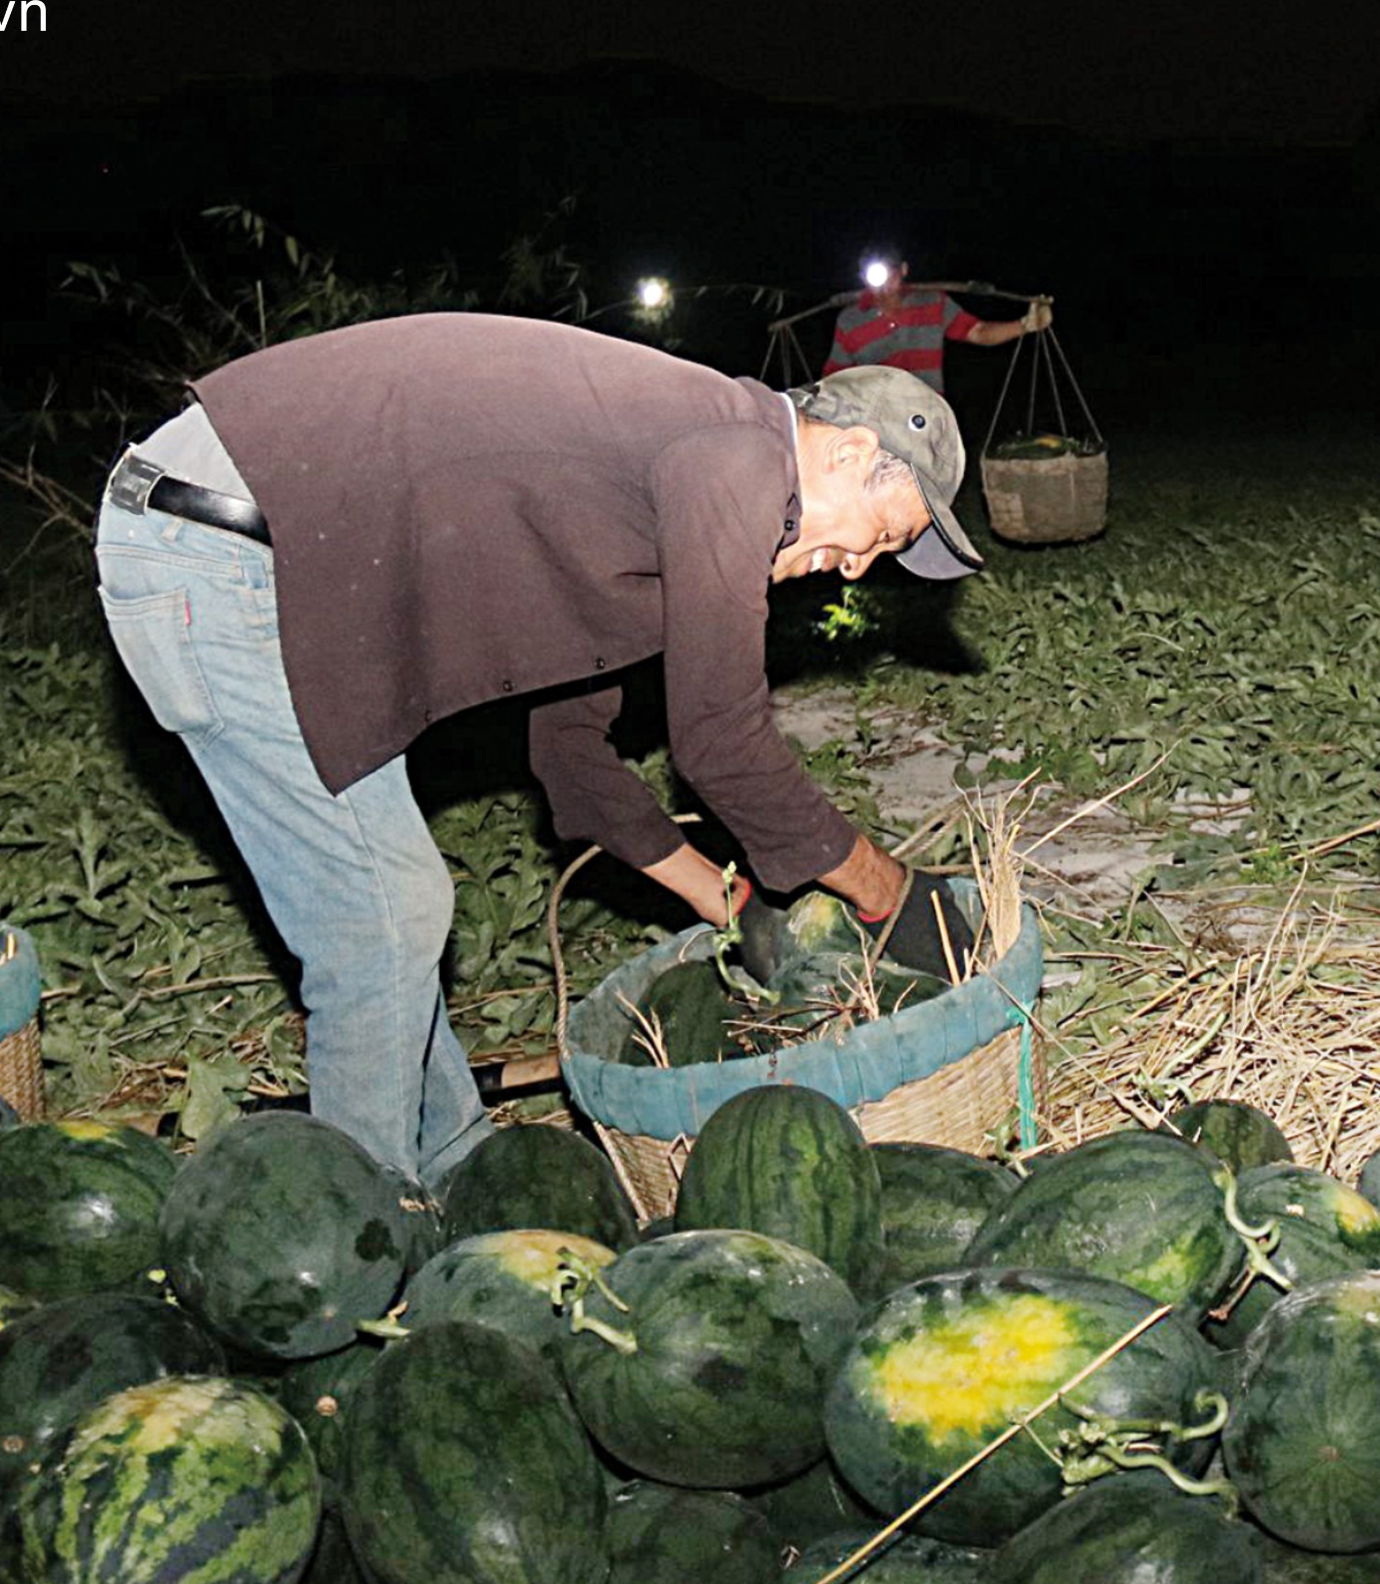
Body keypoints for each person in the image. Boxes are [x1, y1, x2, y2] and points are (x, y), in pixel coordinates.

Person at [93, 313, 987, 1186]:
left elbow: (571, 758)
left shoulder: (670, 500)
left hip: (270, 564)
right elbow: (720, 737)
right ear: (851, 454)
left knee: (383, 923)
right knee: (386, 922)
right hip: (219, 544)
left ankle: (452, 1178)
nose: (863, 564)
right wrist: (888, 893)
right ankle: (359, 1241)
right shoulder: (738, 449)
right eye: (888, 531)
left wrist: (738, 905)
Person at [822, 256, 1052, 389]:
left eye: (889, 274)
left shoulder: (932, 303)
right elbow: (834, 378)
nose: (883, 285)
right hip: (877, 423)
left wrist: (1026, 324)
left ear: (903, 270)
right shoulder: (850, 319)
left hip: (929, 414)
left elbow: (979, 332)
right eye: (874, 277)